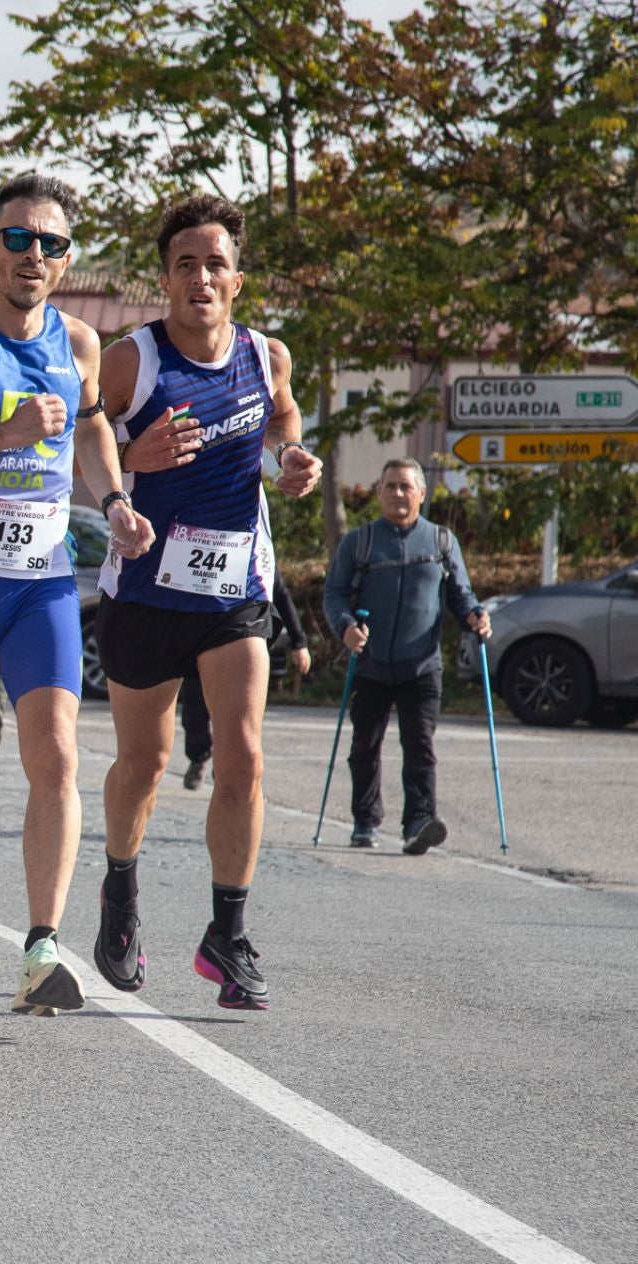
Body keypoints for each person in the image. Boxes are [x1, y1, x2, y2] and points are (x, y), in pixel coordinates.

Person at [0, 174, 153, 1017]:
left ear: (66, 260)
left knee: (58, 755)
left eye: (50, 243)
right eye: (17, 238)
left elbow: (90, 428)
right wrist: (7, 434)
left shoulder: (80, 342)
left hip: (41, 583)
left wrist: (114, 503)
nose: (33, 255)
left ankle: (42, 946)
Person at [92, 193, 322, 1012]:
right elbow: (85, 439)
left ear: (237, 279)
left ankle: (228, 933)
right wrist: (131, 460)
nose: (200, 277)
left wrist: (291, 456)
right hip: (146, 590)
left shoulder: (265, 354)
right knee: (145, 762)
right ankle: (121, 891)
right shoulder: (132, 360)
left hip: (234, 588)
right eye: (184, 264)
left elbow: (283, 418)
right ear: (163, 279)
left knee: (245, 755)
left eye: (214, 264)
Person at [322, 457, 489, 853]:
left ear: (421, 493)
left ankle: (419, 822)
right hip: (371, 663)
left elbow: (460, 594)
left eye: (405, 486)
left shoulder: (441, 542)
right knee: (365, 747)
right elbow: (334, 594)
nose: (398, 493)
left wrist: (474, 615)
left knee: (420, 748)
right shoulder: (359, 542)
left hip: (422, 665)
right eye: (390, 486)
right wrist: (345, 626)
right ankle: (365, 821)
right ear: (379, 492)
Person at [180, 568, 311, 790]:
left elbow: (280, 593)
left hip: (238, 637)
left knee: (236, 714)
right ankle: (198, 758)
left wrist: (299, 642)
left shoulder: (257, 555)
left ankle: (226, 765)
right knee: (194, 711)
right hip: (197, 636)